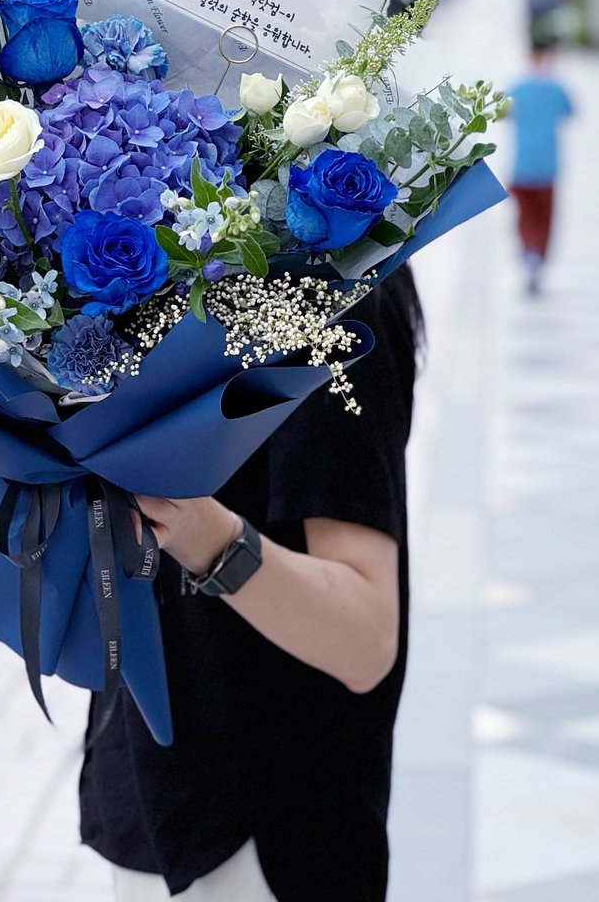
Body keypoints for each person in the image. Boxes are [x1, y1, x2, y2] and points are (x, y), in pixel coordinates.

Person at [80, 270, 422, 901]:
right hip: (145, 789)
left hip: (273, 823)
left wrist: (206, 535)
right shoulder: (126, 244)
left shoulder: (339, 281)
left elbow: (366, 636)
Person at [506, 37, 574, 295]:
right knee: (544, 219)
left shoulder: (518, 88)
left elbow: (503, 113)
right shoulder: (556, 89)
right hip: (547, 166)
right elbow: (570, 113)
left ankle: (528, 251)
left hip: (521, 165)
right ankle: (538, 256)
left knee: (524, 216)